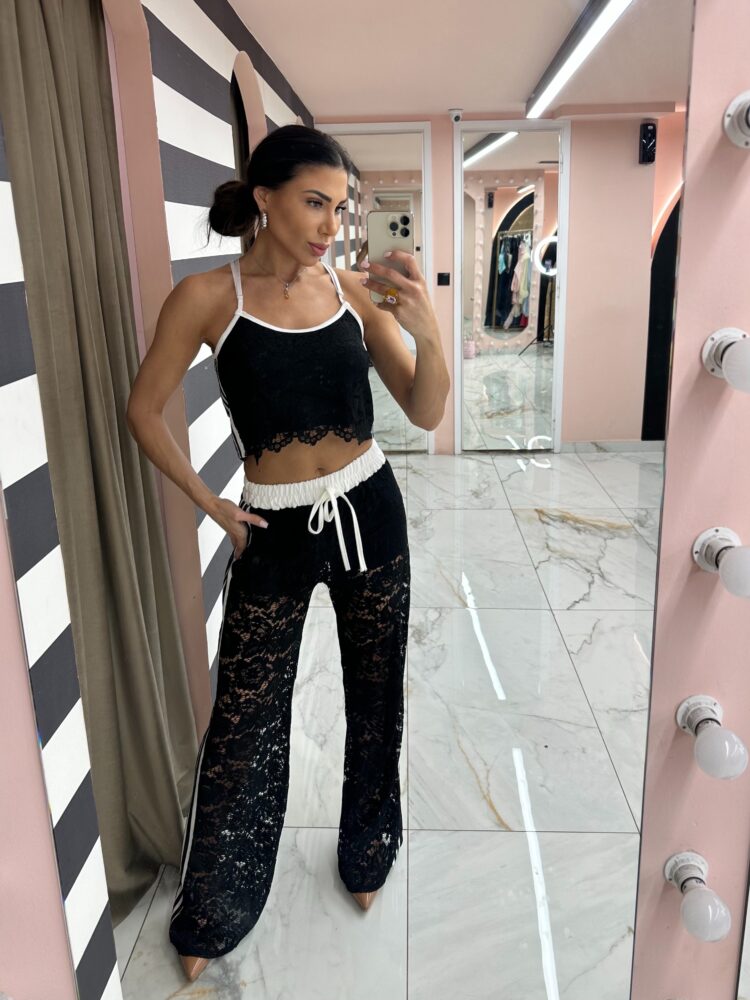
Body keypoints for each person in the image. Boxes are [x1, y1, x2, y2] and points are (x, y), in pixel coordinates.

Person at [125, 124, 449, 984]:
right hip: (269, 527)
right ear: (264, 198)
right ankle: (217, 905)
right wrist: (211, 503)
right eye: (315, 203)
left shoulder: (351, 291)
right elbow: (143, 409)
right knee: (247, 721)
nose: (330, 226)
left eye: (340, 208)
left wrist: (429, 332)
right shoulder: (206, 298)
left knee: (376, 693)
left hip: (369, 509)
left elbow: (424, 410)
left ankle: (368, 850)